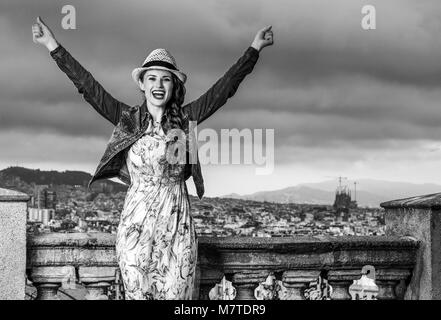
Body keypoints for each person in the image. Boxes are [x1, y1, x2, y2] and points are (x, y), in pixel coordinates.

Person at [32, 16, 274, 300]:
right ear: (143, 85)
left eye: (165, 78)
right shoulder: (128, 119)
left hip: (177, 228)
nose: (158, 84)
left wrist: (254, 49)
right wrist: (52, 44)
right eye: (152, 78)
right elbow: (88, 87)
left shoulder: (185, 119)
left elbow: (224, 90)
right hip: (136, 227)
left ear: (173, 86)